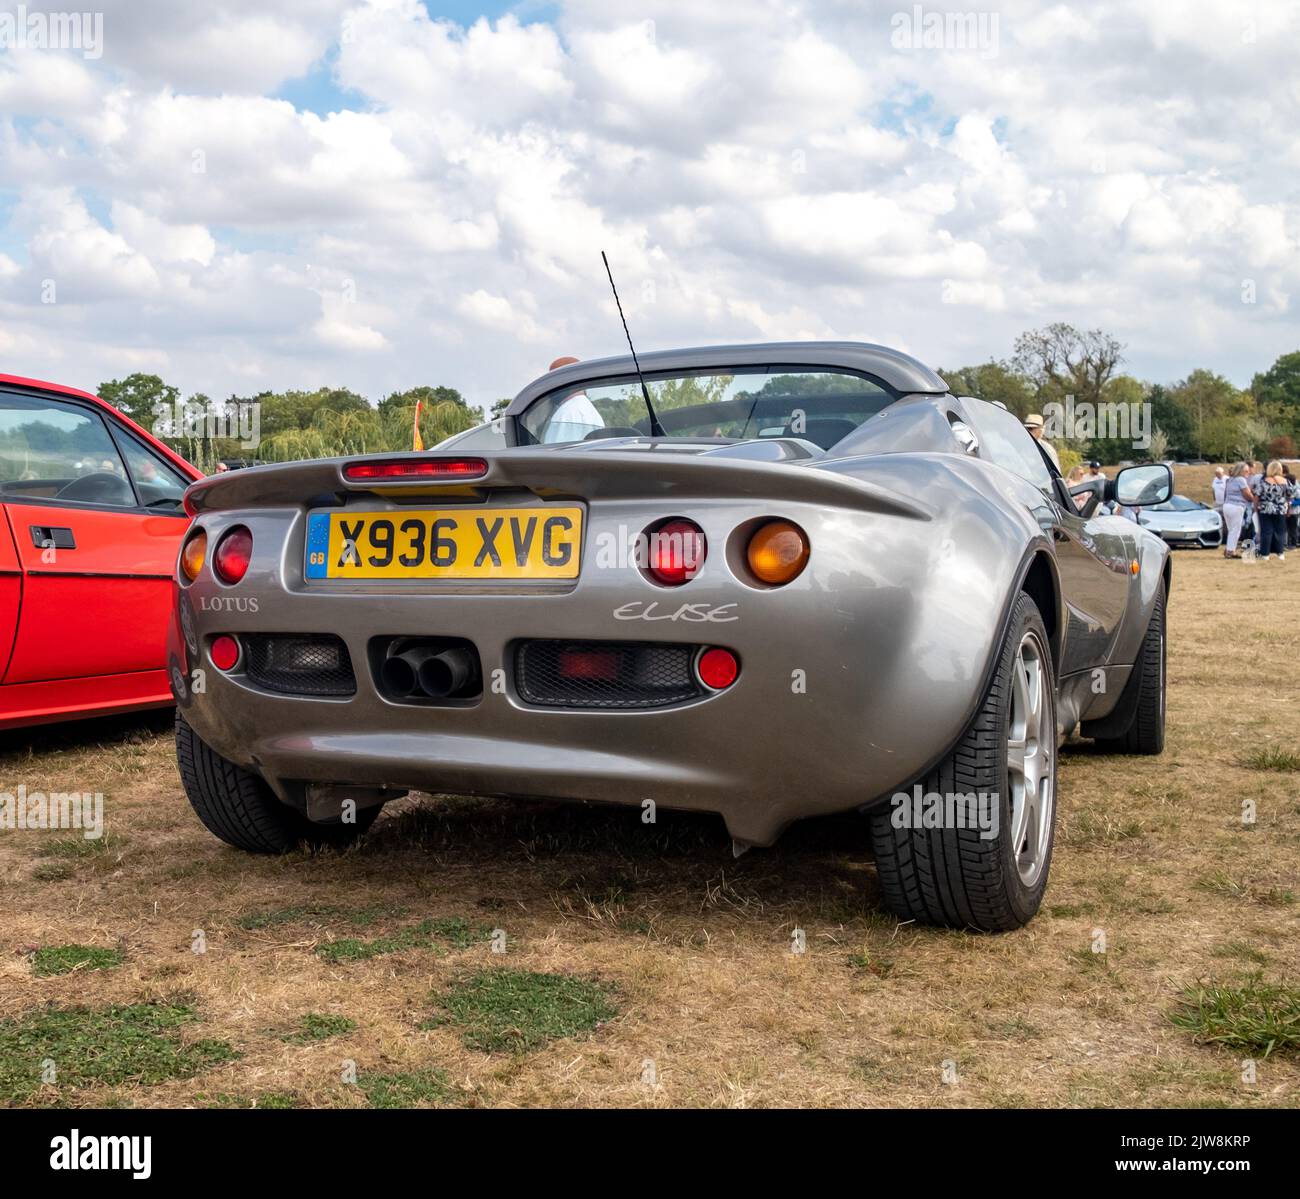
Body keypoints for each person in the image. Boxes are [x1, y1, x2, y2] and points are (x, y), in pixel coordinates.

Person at [542, 355, 605, 443]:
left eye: (553, 381)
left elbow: (554, 454)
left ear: (564, 380)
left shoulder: (567, 413)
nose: (550, 387)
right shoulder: (590, 411)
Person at [1254, 460, 1292, 561]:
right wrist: (1288, 509)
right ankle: (1280, 553)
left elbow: (1257, 495)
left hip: (1266, 509)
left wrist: (1256, 507)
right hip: (1280, 509)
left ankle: (1265, 554)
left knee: (1266, 531)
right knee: (1280, 531)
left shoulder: (1263, 481)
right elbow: (1290, 496)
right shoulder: (1286, 481)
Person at [1222, 462, 1255, 558]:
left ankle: (1228, 548)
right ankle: (1230, 551)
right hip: (1236, 506)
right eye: (1246, 471)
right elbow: (1246, 494)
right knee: (1235, 530)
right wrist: (1254, 499)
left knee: (1231, 529)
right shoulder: (1241, 480)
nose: (1248, 472)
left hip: (1227, 505)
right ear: (1240, 471)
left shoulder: (1230, 480)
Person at [1211, 465, 1227, 542]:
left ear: (1222, 473)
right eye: (1216, 473)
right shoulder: (1215, 480)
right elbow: (1213, 490)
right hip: (1217, 502)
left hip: (1225, 502)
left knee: (1225, 519)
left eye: (1218, 473)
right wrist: (1214, 499)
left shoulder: (1226, 479)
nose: (1217, 475)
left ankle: (1225, 536)